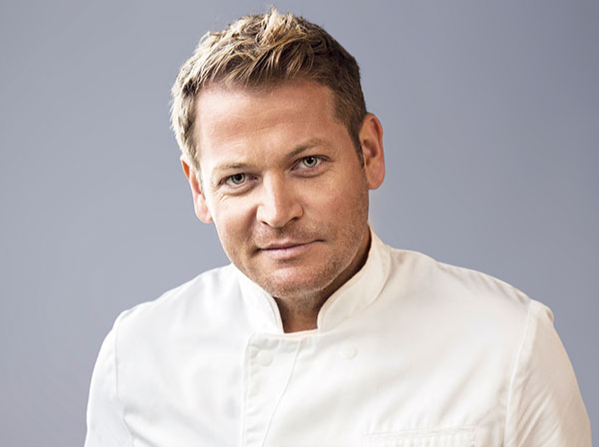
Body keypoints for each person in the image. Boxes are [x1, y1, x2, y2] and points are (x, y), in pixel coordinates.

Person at [84, 8, 591, 447]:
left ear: (369, 152)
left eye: (307, 163)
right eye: (238, 178)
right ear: (199, 189)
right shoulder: (138, 359)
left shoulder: (507, 346)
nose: (277, 211)